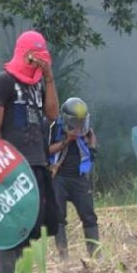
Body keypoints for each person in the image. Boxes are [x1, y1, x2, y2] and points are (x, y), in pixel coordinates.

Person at [0, 30, 60, 273]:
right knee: (9, 228)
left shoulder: (38, 85)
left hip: (37, 165)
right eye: (33, 58)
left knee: (30, 228)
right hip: (12, 166)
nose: (36, 64)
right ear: (23, 54)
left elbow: (52, 114)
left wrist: (49, 77)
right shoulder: (2, 83)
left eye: (41, 59)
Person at [48, 97, 100, 259]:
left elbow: (91, 146)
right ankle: (63, 256)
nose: (78, 126)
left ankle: (95, 255)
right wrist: (66, 141)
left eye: (80, 122)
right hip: (59, 178)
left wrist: (91, 145)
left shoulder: (86, 131)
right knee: (59, 217)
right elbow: (47, 150)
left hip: (79, 178)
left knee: (89, 215)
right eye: (74, 122)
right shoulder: (54, 129)